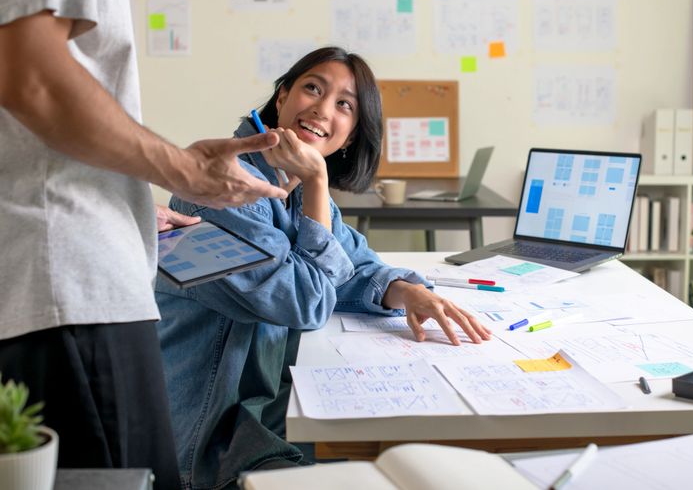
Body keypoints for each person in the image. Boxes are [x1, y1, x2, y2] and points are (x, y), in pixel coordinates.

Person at [0, 0, 286, 489]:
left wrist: (131, 206)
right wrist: (189, 170)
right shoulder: (253, 186)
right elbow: (31, 77)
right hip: (68, 283)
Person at [155, 46, 492, 489]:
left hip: (265, 409)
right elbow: (306, 299)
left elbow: (351, 262)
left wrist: (406, 290)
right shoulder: (223, 184)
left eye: (344, 104)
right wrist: (317, 179)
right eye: (312, 88)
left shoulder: (293, 186)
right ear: (282, 98)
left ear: (351, 134)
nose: (321, 108)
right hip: (211, 438)